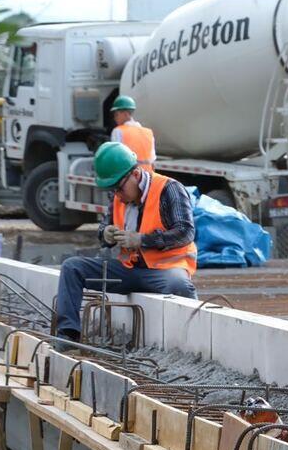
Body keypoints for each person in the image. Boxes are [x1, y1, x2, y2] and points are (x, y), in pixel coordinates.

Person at [54, 142, 197, 343]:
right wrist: (106, 234)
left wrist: (142, 240)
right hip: (128, 270)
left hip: (163, 270)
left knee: (179, 284)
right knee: (72, 267)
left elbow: (185, 232)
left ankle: (194, 337)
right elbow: (104, 227)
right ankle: (68, 335)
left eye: (119, 188)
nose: (117, 195)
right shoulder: (118, 196)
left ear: (136, 174)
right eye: (112, 190)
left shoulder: (169, 189)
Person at [110, 95, 156, 172]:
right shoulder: (148, 132)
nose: (115, 118)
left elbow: (116, 158)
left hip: (129, 177)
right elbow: (152, 160)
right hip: (147, 176)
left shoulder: (118, 131)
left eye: (116, 114)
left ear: (125, 114)